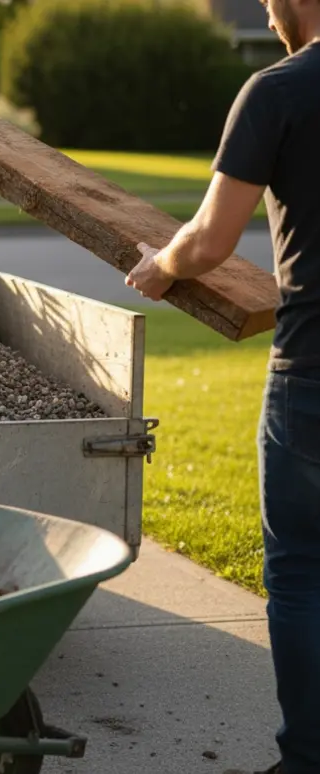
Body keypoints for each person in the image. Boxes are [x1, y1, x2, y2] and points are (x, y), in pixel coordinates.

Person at [125, 2, 320, 773]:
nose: (269, 14)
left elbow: (209, 239)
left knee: (301, 572)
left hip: (312, 378)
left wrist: (159, 265)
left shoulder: (278, 89)